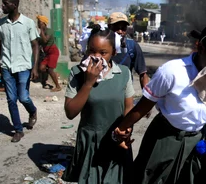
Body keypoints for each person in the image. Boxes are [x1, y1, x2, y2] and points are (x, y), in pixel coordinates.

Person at [113, 24, 206, 184]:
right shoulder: (173, 71)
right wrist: (122, 129)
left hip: (199, 140)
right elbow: (145, 105)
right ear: (200, 49)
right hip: (166, 139)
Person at [62, 24, 134, 183]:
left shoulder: (123, 73)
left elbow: (128, 108)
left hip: (116, 140)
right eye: (91, 51)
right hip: (90, 143)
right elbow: (70, 112)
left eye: (103, 53)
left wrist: (126, 130)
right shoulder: (77, 73)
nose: (96, 57)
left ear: (113, 53)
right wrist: (88, 83)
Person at [0, 0, 39, 142]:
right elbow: (1, 45)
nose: (2, 6)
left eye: (5, 3)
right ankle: (18, 130)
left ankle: (32, 111)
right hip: (7, 66)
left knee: (23, 97)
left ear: (14, 5)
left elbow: (35, 45)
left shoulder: (28, 23)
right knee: (11, 99)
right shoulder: (1, 24)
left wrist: (34, 68)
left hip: (23, 67)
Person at [108, 12, 149, 90]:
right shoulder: (99, 46)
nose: (120, 31)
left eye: (123, 28)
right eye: (116, 28)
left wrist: (147, 98)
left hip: (124, 95)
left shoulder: (132, 46)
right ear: (109, 27)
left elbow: (143, 74)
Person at [36, 15, 62, 92]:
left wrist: (41, 31)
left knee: (50, 70)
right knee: (41, 68)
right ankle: (54, 75)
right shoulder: (42, 33)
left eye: (39, 22)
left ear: (44, 23)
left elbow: (45, 40)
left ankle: (58, 86)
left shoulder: (49, 31)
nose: (38, 24)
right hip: (47, 53)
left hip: (53, 52)